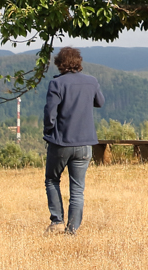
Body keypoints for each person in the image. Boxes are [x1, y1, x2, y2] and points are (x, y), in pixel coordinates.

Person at [43, 46, 104, 235]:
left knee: (52, 179)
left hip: (61, 141)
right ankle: (72, 231)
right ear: (78, 62)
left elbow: (50, 113)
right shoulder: (91, 81)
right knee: (77, 189)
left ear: (60, 64)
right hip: (85, 143)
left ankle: (57, 221)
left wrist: (48, 131)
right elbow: (100, 102)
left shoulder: (57, 84)